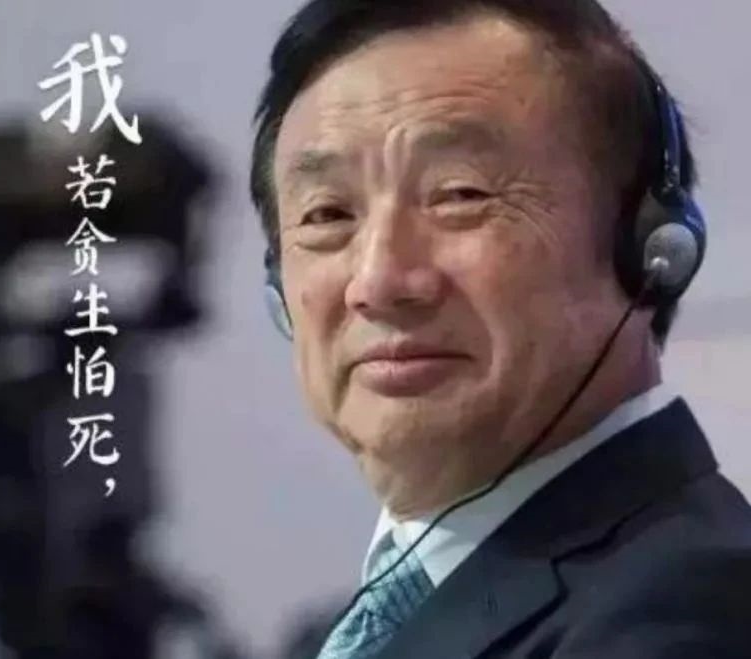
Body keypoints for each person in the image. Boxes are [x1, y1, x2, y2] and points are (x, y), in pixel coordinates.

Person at [249, 1, 751, 657]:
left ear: (650, 248)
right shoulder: (360, 622)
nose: (377, 281)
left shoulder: (687, 614)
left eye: (460, 194)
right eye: (327, 214)